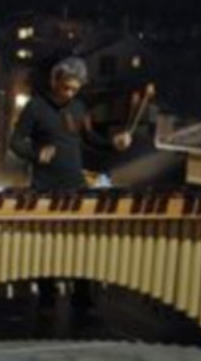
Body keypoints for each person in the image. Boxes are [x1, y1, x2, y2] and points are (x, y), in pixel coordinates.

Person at [9, 57, 131, 311]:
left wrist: (113, 143)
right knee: (45, 247)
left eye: (75, 89)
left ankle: (82, 295)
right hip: (45, 188)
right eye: (66, 87)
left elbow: (90, 139)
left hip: (76, 187)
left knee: (82, 243)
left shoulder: (79, 107)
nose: (70, 93)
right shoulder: (35, 107)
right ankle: (47, 295)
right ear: (55, 80)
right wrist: (35, 153)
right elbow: (16, 141)